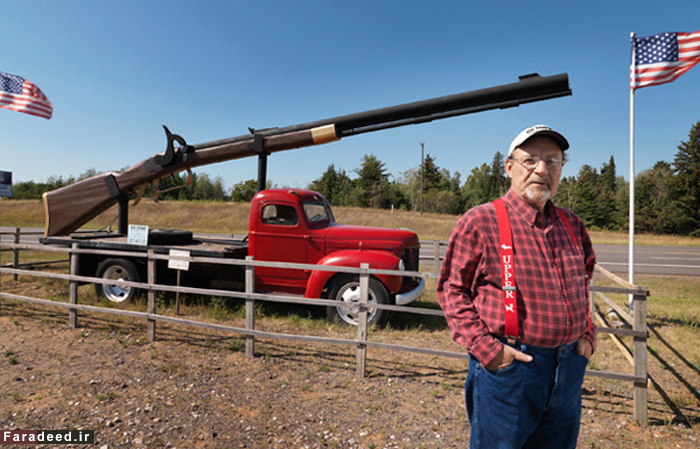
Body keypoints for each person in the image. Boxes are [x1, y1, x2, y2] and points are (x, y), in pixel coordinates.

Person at [436, 125, 596, 449]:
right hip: (510, 369)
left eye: (552, 161)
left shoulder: (572, 224)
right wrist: (488, 351)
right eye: (530, 160)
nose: (541, 169)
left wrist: (587, 336)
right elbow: (451, 291)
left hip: (569, 367)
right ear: (509, 167)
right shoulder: (480, 221)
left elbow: (585, 282)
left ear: (562, 169)